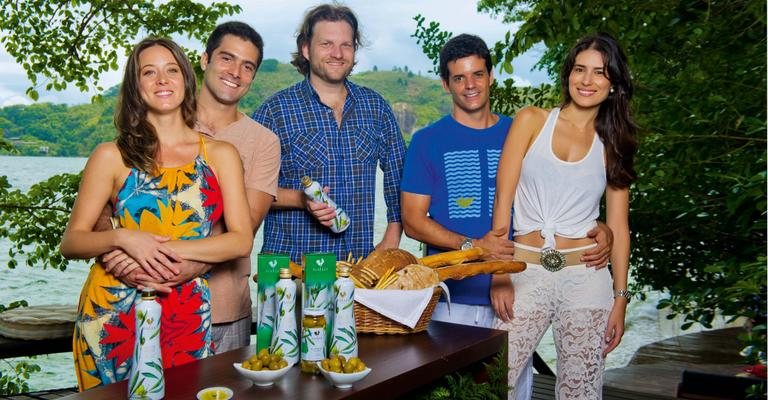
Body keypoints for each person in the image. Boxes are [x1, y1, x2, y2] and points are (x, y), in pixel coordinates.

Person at [400, 34, 613, 400]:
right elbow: (412, 221)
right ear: (444, 83)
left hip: (522, 290)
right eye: (459, 78)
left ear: (491, 75)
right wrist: (474, 248)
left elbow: (569, 189)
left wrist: (601, 227)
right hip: (455, 299)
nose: (470, 86)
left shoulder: (525, 130)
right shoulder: (428, 140)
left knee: (512, 393)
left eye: (478, 75)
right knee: (460, 393)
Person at [61, 37, 253, 390]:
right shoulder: (110, 156)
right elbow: (72, 241)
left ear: (186, 79)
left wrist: (151, 250)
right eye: (149, 72)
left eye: (171, 70)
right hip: (111, 313)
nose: (162, 80)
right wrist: (122, 237)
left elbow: (240, 241)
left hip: (185, 311)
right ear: (136, 87)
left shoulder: (221, 154)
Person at [96, 22, 280, 354]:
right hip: (134, 296)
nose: (235, 72)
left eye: (247, 66)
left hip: (222, 310)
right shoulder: (159, 114)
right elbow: (103, 209)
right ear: (204, 59)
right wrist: (116, 255)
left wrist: (159, 265)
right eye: (226, 58)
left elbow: (241, 227)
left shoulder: (263, 142)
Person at [491, 32, 637, 399]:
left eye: (600, 72)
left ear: (614, 83)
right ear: (568, 74)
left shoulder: (614, 143)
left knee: (580, 391)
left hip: (586, 279)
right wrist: (499, 273)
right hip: (525, 272)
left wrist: (620, 299)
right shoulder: (531, 121)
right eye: (579, 69)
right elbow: (503, 201)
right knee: (493, 382)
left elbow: (619, 226)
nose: (587, 81)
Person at [252, 3, 406, 262]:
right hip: (289, 270)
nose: (337, 53)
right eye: (326, 44)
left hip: (357, 267)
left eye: (346, 45)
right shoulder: (274, 111)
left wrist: (392, 236)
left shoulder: (375, 107)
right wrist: (301, 199)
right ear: (306, 49)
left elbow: (400, 175)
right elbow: (248, 190)